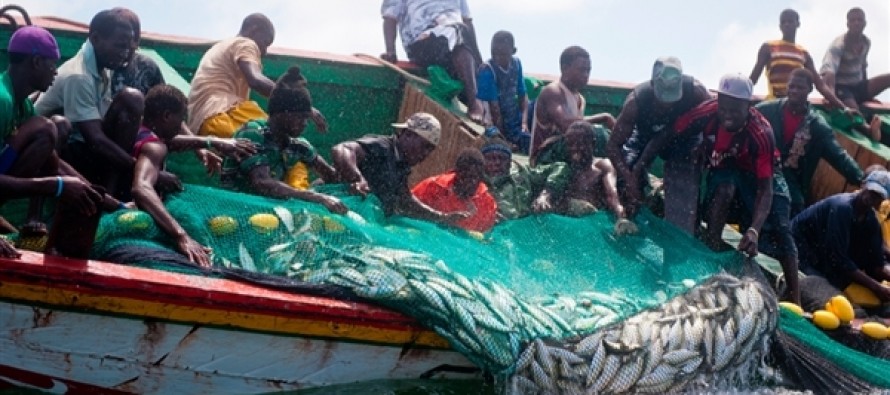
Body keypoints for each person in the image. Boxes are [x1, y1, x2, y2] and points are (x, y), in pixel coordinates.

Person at [636, 73, 800, 304]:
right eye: (723, 108)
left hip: (761, 176)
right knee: (722, 191)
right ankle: (710, 264)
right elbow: (668, 133)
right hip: (726, 168)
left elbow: (765, 188)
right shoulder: (707, 112)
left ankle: (796, 297)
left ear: (748, 106)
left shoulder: (762, 133)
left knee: (782, 228)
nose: (727, 115)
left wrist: (754, 229)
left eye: (735, 110)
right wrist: (641, 165)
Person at [34, 8, 180, 200]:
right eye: (120, 46)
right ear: (95, 39)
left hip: (85, 147)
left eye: (128, 48)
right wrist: (148, 172)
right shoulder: (78, 75)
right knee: (65, 123)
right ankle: (106, 199)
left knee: (131, 99)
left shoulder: (106, 67)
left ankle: (112, 191)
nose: (125, 53)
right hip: (53, 154)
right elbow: (95, 139)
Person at [0, 26, 104, 256]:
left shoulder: (22, 105)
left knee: (50, 128)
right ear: (36, 62)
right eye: (52, 64)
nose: (55, 72)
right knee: (45, 127)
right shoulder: (2, 100)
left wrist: (102, 199)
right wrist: (54, 186)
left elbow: (54, 162)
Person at [221, 67, 346, 214]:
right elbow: (262, 182)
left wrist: (353, 183)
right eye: (300, 117)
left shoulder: (298, 145)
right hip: (234, 214)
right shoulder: (252, 133)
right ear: (281, 113)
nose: (305, 123)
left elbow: (332, 177)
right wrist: (317, 197)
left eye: (307, 118)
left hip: (268, 218)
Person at [607, 56, 711, 231]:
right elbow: (612, 146)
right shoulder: (635, 102)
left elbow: (715, 121)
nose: (667, 105)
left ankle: (685, 230)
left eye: (672, 98)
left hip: (685, 140)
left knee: (685, 171)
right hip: (645, 136)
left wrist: (706, 145)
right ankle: (628, 220)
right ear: (653, 84)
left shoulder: (697, 92)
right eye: (661, 98)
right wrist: (628, 176)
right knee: (629, 167)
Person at [188, 13, 326, 139]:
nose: (264, 52)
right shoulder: (245, 43)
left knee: (255, 160)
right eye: (266, 42)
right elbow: (256, 80)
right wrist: (301, 105)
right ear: (253, 30)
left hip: (202, 124)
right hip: (223, 112)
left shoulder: (220, 47)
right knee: (285, 149)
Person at [755, 68, 863, 215]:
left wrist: (862, 179)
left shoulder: (817, 126)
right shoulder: (767, 110)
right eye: (791, 86)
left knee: (795, 208)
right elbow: (744, 121)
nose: (794, 91)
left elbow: (839, 157)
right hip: (760, 174)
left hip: (791, 183)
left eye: (800, 87)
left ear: (810, 90)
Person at [129, 85, 215, 267]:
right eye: (182, 117)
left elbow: (172, 142)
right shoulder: (154, 146)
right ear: (167, 116)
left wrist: (210, 143)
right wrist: (181, 236)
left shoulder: (135, 130)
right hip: (136, 213)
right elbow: (141, 188)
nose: (182, 124)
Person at [332, 112, 469, 225]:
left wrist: (441, 217)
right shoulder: (382, 147)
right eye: (425, 146)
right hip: (335, 209)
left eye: (430, 150)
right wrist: (357, 178)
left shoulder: (402, 165)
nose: (426, 154)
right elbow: (342, 149)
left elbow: (406, 200)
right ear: (407, 134)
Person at [792, 171, 890, 316]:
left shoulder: (871, 221)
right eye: (871, 191)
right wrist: (877, 288)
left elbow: (876, 264)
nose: (872, 197)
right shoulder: (842, 207)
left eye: (878, 196)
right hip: (800, 251)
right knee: (824, 290)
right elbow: (838, 259)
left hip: (822, 257)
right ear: (863, 185)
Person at [381, 0, 484, 123]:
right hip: (422, 43)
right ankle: (474, 103)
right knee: (460, 30)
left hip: (455, 43)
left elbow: (467, 21)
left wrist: (479, 61)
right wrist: (390, 51)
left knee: (462, 35)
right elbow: (390, 19)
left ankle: (477, 107)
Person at [749, 8, 849, 110]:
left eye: (790, 21)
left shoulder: (803, 53)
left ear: (798, 24)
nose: (787, 24)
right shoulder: (769, 47)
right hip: (775, 104)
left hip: (796, 106)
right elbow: (753, 78)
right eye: (783, 22)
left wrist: (844, 107)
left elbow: (820, 85)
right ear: (780, 26)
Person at [530, 46, 614, 164]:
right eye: (581, 70)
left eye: (588, 70)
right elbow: (567, 125)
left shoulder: (580, 99)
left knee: (610, 139)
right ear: (564, 68)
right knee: (599, 134)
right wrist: (603, 117)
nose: (586, 75)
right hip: (544, 157)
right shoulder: (553, 91)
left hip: (569, 152)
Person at [558, 122, 636, 234]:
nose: (575, 148)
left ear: (592, 144)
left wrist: (620, 214)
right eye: (570, 144)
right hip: (569, 221)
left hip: (593, 222)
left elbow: (611, 194)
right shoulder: (565, 168)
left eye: (580, 144)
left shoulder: (602, 166)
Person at [820, 8, 890, 113]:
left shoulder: (866, 42)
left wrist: (868, 94)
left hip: (858, 86)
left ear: (865, 23)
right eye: (852, 20)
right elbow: (829, 72)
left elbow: (863, 66)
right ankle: (869, 128)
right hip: (842, 89)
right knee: (856, 115)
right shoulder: (838, 45)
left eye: (859, 20)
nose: (856, 23)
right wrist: (830, 95)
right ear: (847, 24)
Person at [481, 138, 569, 221]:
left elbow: (560, 167)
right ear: (482, 162)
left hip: (522, 226)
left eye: (502, 158)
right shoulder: (475, 180)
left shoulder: (522, 173)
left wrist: (545, 195)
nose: (497, 163)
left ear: (510, 162)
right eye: (491, 158)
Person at [412, 147, 496, 232]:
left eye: (473, 177)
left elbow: (484, 237)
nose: (468, 182)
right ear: (455, 171)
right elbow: (408, 209)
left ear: (481, 178)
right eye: (464, 176)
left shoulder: (487, 204)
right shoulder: (433, 186)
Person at [476, 31, 530, 153]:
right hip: (496, 121)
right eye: (494, 53)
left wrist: (524, 123)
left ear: (513, 51)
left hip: (514, 116)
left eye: (503, 54)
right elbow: (494, 109)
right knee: (524, 142)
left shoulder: (516, 64)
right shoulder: (487, 70)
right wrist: (505, 141)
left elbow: (523, 95)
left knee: (538, 107)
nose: (497, 58)